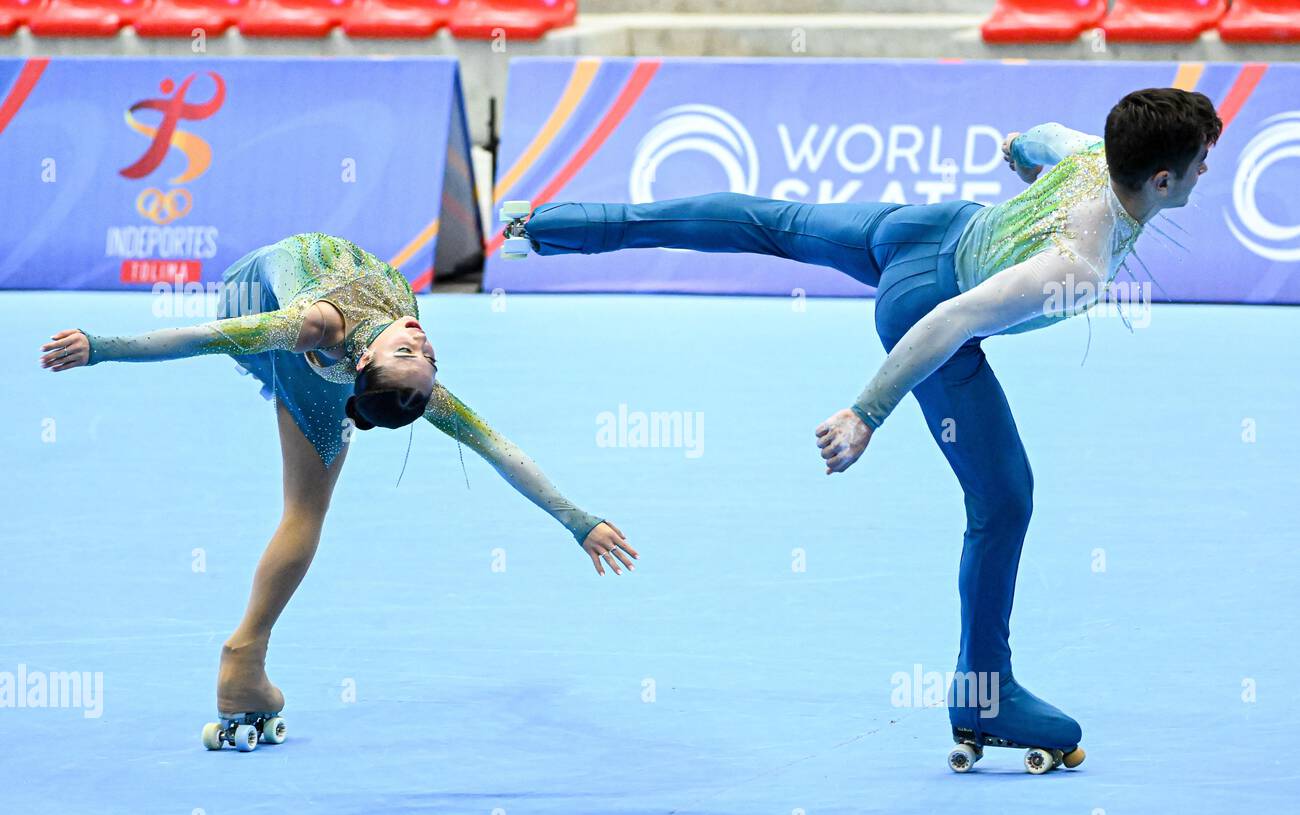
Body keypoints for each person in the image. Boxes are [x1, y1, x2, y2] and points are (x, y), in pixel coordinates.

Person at [500, 88, 1221, 771]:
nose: (1206, 170)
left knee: (768, 221)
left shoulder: (1092, 152)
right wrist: (865, 412)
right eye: (1200, 161)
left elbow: (1040, 139)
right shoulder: (1080, 263)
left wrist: (1015, 148)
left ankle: (540, 229)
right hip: (925, 304)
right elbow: (954, 320)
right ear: (1161, 180)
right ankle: (987, 697)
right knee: (1004, 502)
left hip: (926, 226)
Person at [41, 233, 637, 747]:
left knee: (305, 510)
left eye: (417, 353)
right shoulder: (342, 337)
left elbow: (499, 451)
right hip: (275, 310)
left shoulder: (327, 331)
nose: (420, 339)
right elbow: (210, 335)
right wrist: (102, 349)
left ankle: (243, 658)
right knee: (303, 494)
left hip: (292, 330)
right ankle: (244, 660)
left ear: (367, 366)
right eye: (423, 354)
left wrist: (579, 521)